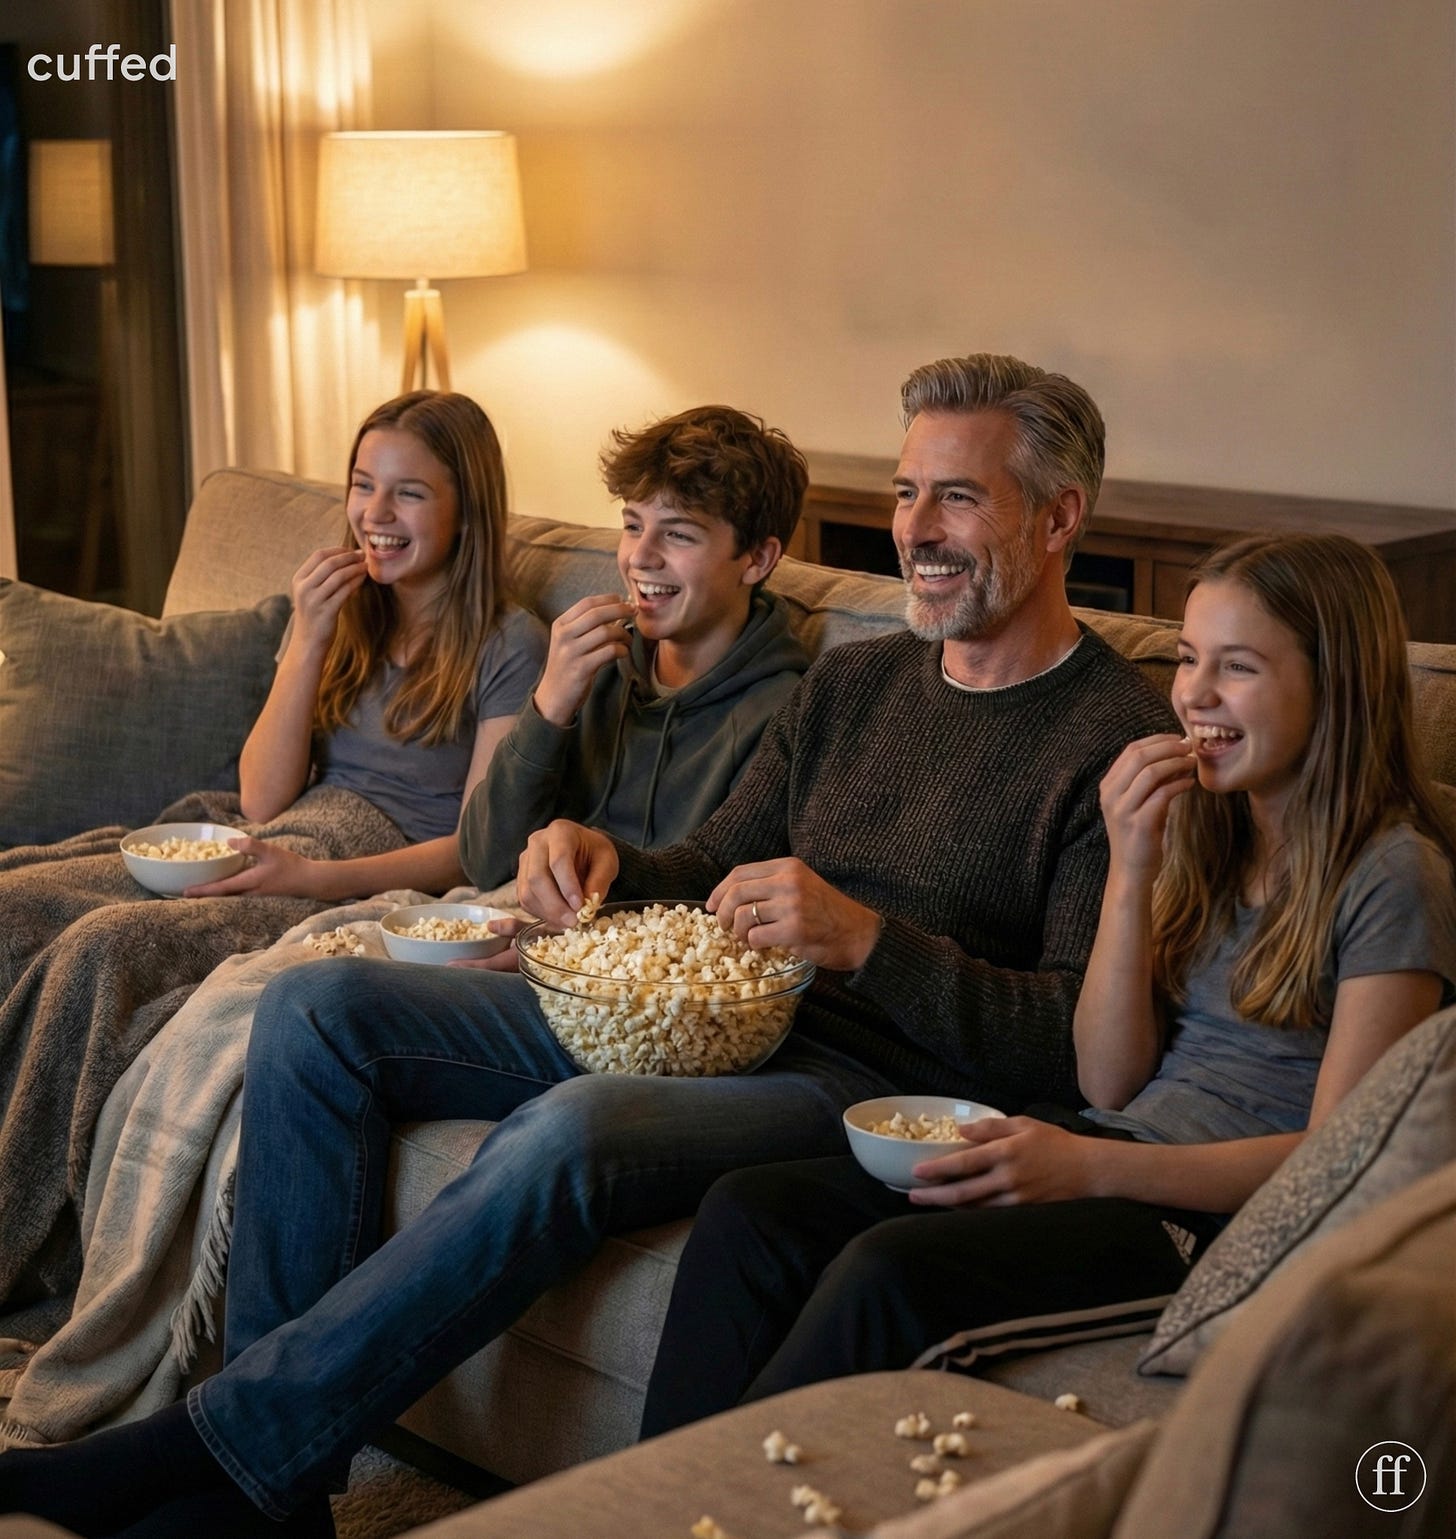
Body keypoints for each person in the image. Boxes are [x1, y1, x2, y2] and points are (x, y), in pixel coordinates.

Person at [0, 352, 1176, 1539]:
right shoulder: (856, 685)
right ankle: (277, 1500)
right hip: (705, 1014)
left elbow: (1067, 1048)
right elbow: (705, 861)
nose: (913, 530)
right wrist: (602, 855)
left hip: (864, 1082)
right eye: (908, 492)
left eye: (956, 498)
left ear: (1058, 517)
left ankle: (214, 1448)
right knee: (320, 1008)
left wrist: (870, 943)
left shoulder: (1115, 736)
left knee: (570, 1127)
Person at [637, 531, 1456, 1434]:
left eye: (1239, 667)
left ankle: (725, 1496)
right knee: (756, 1211)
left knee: (890, 1271)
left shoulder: (1394, 874)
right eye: (1189, 658)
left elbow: (1343, 1165)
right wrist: (1132, 867)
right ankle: (654, 1497)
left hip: (1209, 1220)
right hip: (1105, 1136)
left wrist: (1092, 1166)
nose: (1194, 694)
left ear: (1335, 685)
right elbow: (1107, 1077)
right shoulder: (1207, 830)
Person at [0, 390, 547, 1312]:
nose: (375, 513)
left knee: (103, 947)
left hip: (363, 865)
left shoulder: (510, 643)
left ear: (468, 507)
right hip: (268, 828)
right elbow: (261, 796)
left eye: (409, 492)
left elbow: (474, 847)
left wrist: (313, 877)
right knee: (15, 905)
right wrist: (309, 635)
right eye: (362, 485)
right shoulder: (347, 613)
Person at [461, 403, 811, 887]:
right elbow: (483, 863)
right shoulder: (595, 665)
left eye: (678, 534)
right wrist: (549, 707)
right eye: (632, 526)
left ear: (757, 559)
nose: (640, 557)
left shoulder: (781, 714)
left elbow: (713, 904)